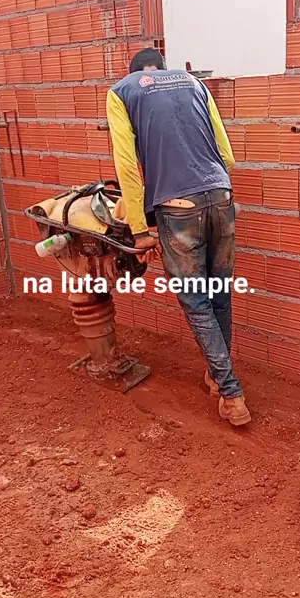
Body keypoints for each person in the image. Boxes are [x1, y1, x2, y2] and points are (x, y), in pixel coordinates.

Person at [106, 48, 251, 427]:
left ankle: (232, 393)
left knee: (196, 302)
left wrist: (139, 230)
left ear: (135, 73)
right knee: (220, 294)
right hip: (221, 196)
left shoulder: (121, 92)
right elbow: (226, 155)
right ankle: (217, 378)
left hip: (179, 208)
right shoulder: (194, 83)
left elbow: (126, 166)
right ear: (163, 69)